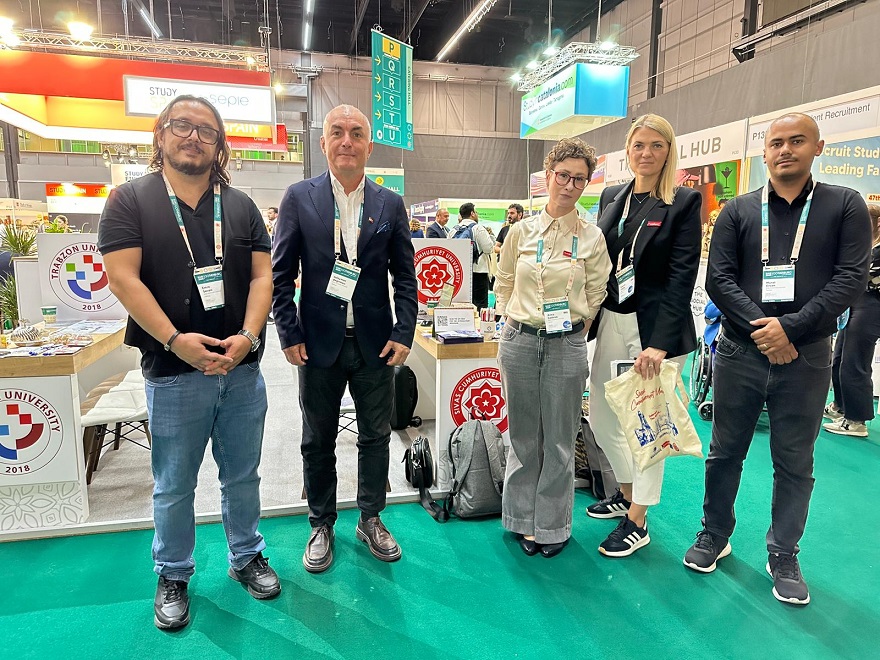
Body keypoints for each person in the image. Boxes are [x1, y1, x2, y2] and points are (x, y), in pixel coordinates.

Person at [97, 95, 279, 630]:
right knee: (174, 483)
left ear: (219, 144)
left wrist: (248, 336)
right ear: (161, 134)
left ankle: (246, 555)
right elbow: (123, 278)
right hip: (174, 372)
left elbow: (263, 277)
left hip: (241, 370)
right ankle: (173, 572)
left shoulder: (241, 206)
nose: (193, 136)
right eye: (182, 125)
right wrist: (176, 340)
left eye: (206, 130)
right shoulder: (130, 200)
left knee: (242, 475)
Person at [683, 113, 871, 606]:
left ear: (818, 147)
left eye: (797, 141)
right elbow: (719, 279)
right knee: (725, 452)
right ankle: (714, 533)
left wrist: (791, 328)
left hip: (806, 356)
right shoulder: (738, 211)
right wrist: (765, 330)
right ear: (764, 152)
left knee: (794, 461)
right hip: (740, 352)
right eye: (776, 143)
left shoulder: (844, 205)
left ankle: (784, 552)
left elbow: (850, 278)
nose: (785, 150)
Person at [272, 104, 418, 573]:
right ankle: (321, 523)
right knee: (318, 439)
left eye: (356, 133)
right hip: (317, 345)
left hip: (376, 344)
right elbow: (280, 275)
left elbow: (405, 277)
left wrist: (404, 331)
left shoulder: (389, 203)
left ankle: (371, 517)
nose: (347, 141)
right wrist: (289, 332)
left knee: (376, 436)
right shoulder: (299, 197)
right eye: (337, 132)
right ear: (323, 143)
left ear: (369, 146)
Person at [586, 114, 702, 557]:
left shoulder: (683, 201)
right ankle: (627, 492)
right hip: (612, 318)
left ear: (669, 151)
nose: (647, 153)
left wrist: (660, 344)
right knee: (602, 415)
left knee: (650, 424)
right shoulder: (612, 196)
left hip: (655, 330)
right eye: (639, 145)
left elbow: (681, 277)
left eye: (657, 145)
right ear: (627, 150)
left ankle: (638, 519)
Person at [495, 137, 611, 558]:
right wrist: (511, 319)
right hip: (520, 341)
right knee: (523, 437)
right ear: (548, 176)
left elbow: (597, 292)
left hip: (566, 345)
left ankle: (551, 525)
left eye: (579, 179)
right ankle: (520, 518)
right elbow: (504, 281)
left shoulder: (592, 237)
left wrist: (575, 331)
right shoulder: (520, 232)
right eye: (563, 175)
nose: (569, 185)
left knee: (560, 440)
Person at [823, 203, 880, 437]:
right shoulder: (864, 245)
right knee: (839, 358)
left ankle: (857, 420)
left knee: (855, 361)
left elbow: (858, 274)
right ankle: (840, 406)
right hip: (854, 303)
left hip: (872, 306)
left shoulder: (876, 251)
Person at [453, 202, 494, 309]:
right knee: (480, 305)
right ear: (472, 213)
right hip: (478, 271)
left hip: (459, 272)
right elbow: (489, 248)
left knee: (461, 304)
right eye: (476, 212)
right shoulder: (478, 228)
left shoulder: (453, 230)